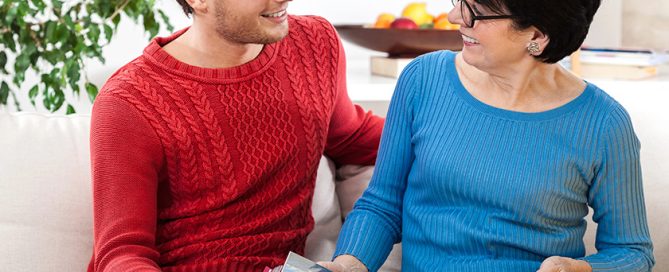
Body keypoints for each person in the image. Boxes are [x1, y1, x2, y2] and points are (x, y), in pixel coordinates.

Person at [320, 0, 655, 271]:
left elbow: (632, 251)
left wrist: (577, 269)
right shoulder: (423, 80)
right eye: (458, 1)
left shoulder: (603, 123)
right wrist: (348, 264)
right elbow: (383, 204)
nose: (454, 17)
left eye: (476, 9)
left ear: (537, 34)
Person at [87, 0, 384, 271]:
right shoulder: (129, 101)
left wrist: (428, 124)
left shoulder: (314, 44)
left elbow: (351, 136)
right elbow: (122, 252)